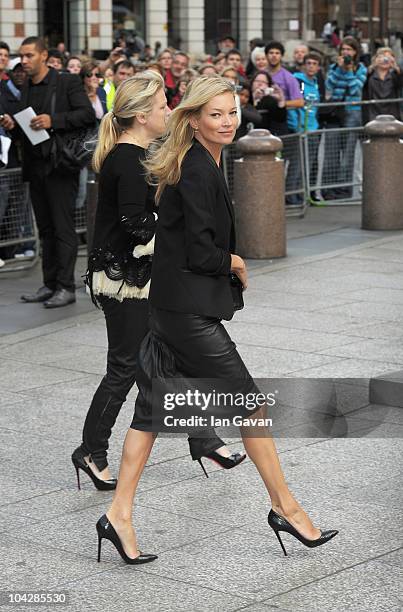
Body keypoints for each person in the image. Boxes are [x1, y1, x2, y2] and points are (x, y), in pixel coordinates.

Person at [95, 75, 338, 565]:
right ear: (194, 117)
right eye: (216, 114)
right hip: (186, 311)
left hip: (168, 305)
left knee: (151, 410)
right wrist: (236, 262)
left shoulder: (196, 159)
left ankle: (117, 515)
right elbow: (204, 251)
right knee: (251, 407)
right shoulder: (197, 169)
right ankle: (285, 507)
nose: (227, 122)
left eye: (232, 112)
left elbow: (180, 239)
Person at [73, 72, 244, 491]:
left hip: (140, 278)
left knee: (168, 360)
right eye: (163, 106)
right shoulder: (127, 159)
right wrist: (174, 234)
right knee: (126, 368)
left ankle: (203, 438)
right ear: (143, 115)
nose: (169, 111)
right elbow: (135, 222)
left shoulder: (137, 152)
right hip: (126, 282)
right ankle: (91, 451)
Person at [0, 37, 95, 307]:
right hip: (36, 167)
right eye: (22, 56)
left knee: (63, 229)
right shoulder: (26, 85)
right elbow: (27, 123)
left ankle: (66, 287)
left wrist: (54, 120)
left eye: (29, 55)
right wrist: (12, 123)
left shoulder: (66, 82)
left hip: (61, 167)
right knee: (46, 229)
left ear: (43, 55)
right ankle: (50, 283)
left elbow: (87, 115)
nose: (24, 61)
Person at [322, 36, 367, 200]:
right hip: (335, 112)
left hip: (352, 113)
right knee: (331, 153)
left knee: (348, 155)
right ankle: (328, 189)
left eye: (349, 49)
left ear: (355, 52)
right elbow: (329, 86)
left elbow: (356, 88)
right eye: (344, 50)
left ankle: (344, 190)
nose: (346, 53)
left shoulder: (361, 68)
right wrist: (340, 70)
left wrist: (348, 71)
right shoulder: (334, 67)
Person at [265, 41, 304, 205]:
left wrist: (282, 104)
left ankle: (287, 195)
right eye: (271, 52)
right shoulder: (261, 75)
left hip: (285, 125)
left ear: (281, 56)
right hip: (265, 124)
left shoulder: (288, 77)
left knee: (285, 162)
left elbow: (299, 101)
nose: (273, 55)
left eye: (277, 53)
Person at [288, 52, 322, 203]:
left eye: (315, 64)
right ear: (303, 65)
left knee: (307, 165)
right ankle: (290, 194)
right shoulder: (297, 81)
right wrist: (297, 127)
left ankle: (301, 193)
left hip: (313, 128)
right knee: (297, 164)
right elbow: (294, 105)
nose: (311, 66)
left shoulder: (315, 83)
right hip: (301, 129)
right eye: (309, 63)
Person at [362, 47, 403, 122]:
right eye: (382, 57)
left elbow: (400, 84)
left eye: (388, 57)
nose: (385, 60)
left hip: (392, 116)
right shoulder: (369, 74)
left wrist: (396, 68)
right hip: (373, 115)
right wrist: (373, 66)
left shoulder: (395, 75)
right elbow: (363, 87)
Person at [249, 71, 286, 136]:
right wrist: (255, 100)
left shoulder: (270, 100)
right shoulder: (246, 97)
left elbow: (280, 119)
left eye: (263, 82)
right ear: (252, 83)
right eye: (257, 81)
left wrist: (281, 101)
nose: (260, 84)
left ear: (268, 86)